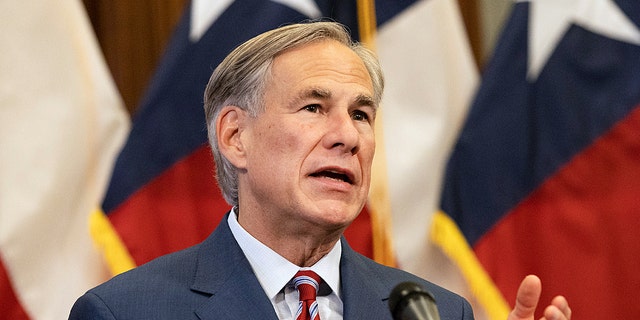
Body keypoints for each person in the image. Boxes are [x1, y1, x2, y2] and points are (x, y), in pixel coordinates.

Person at [69, 21, 571, 320]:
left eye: (360, 114)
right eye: (313, 107)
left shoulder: (431, 313)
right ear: (234, 138)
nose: (347, 136)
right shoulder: (129, 312)